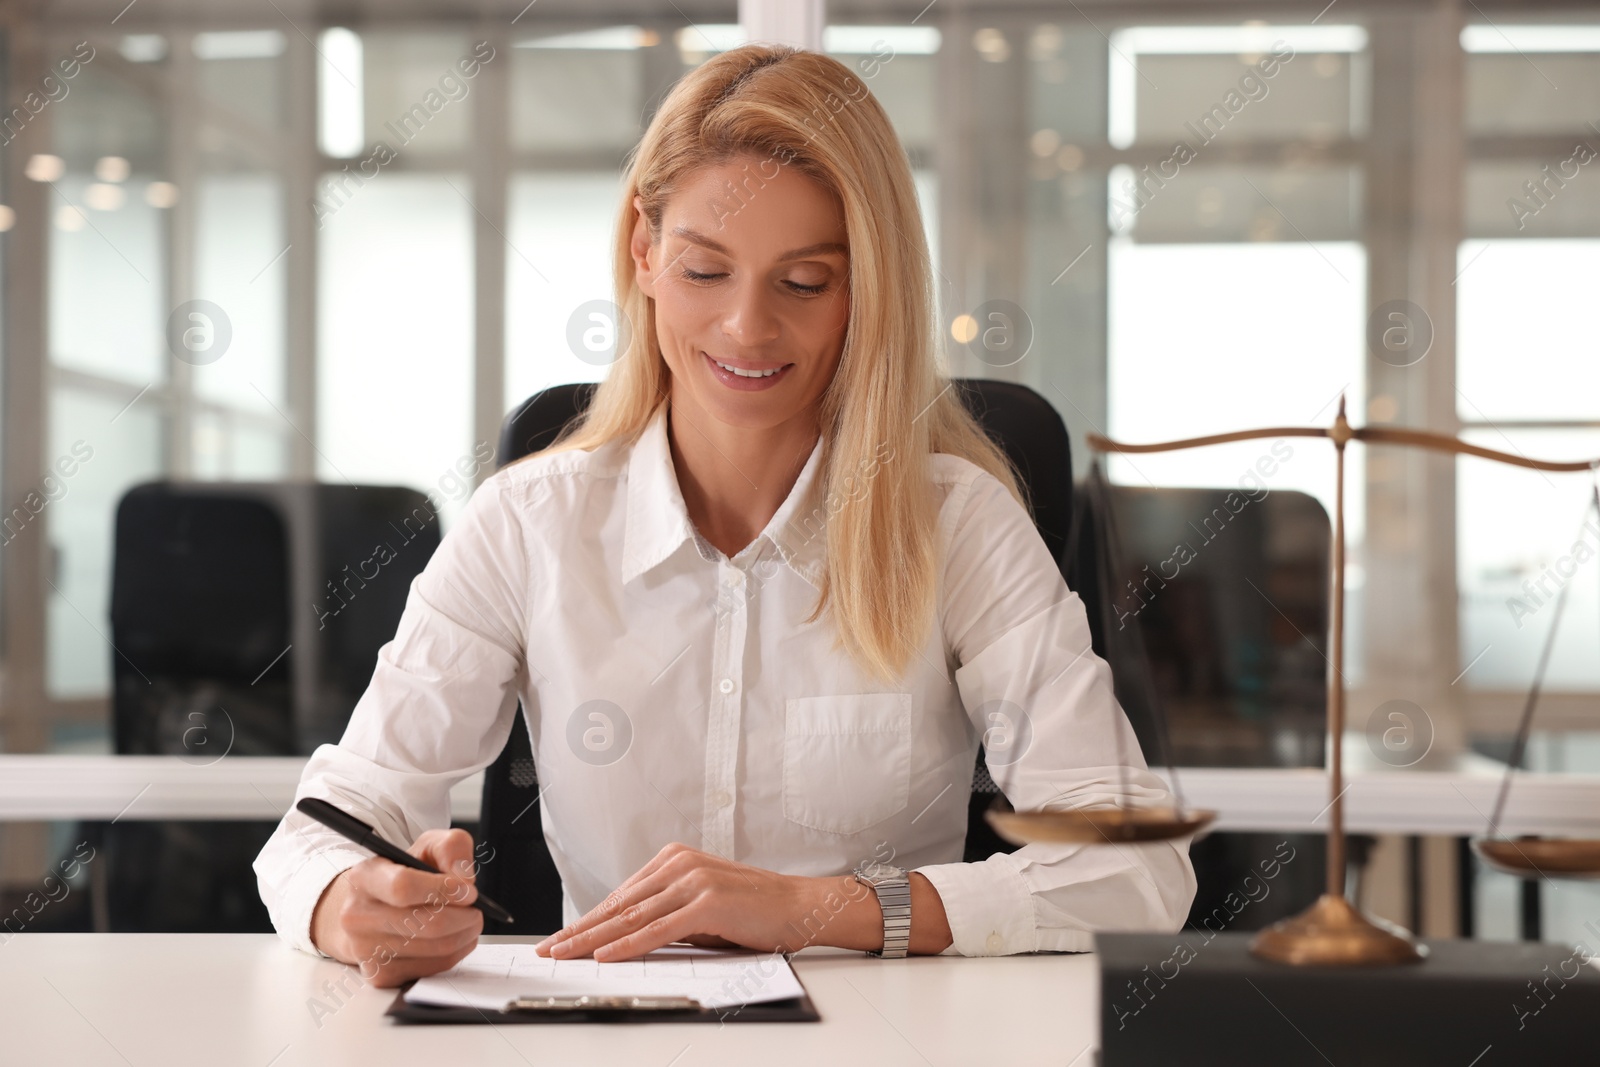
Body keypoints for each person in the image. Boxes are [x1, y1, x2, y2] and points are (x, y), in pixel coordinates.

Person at [254, 42, 1195, 987]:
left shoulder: (961, 525)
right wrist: (352, 904)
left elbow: (1136, 869)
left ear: (867, 291)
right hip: (610, 1039)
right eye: (706, 271)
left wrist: (818, 908)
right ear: (645, 253)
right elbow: (324, 828)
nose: (748, 327)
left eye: (803, 282)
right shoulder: (527, 525)